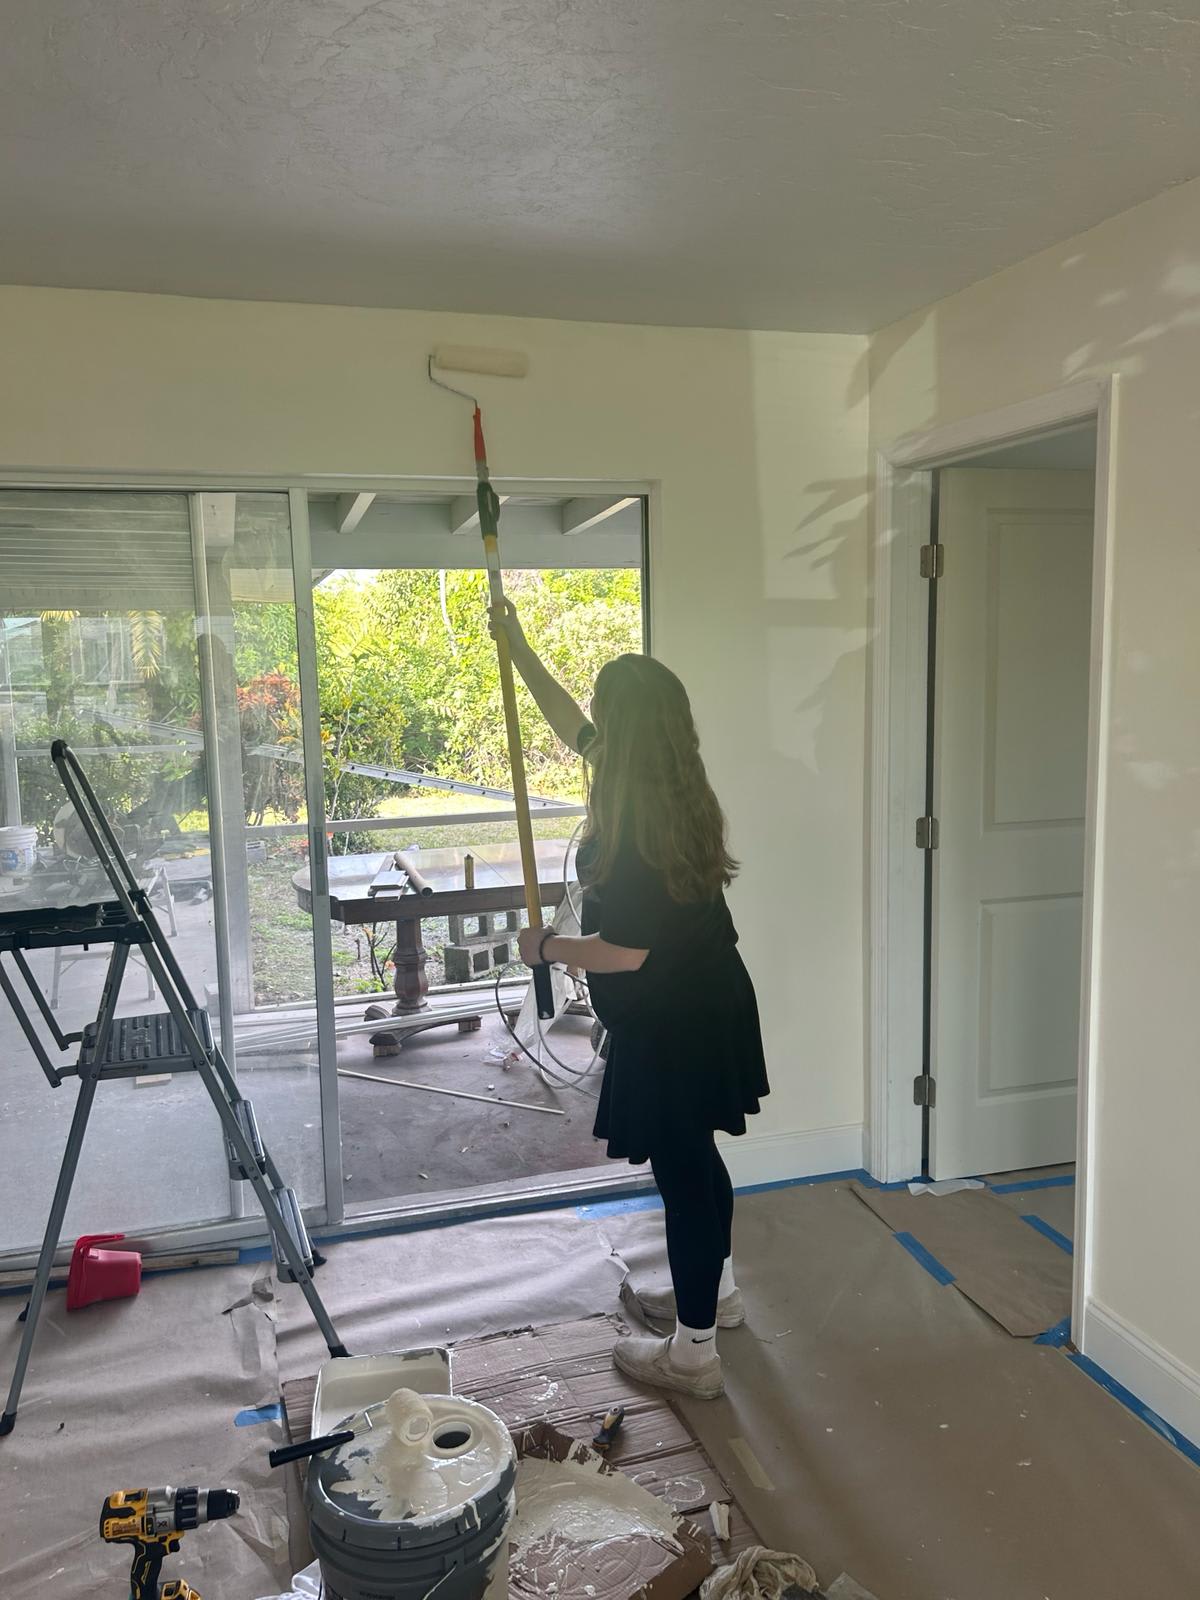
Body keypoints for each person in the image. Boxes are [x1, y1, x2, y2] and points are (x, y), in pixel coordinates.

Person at [491, 602, 769, 1400]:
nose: (593, 729)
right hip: (709, 1001)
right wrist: (518, 649)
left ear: (626, 729)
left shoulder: (639, 822)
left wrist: (547, 948)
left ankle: (693, 1355)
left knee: (684, 1179)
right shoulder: (670, 781)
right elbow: (568, 725)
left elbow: (626, 951)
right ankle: (713, 1301)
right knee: (699, 1161)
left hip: (675, 1021)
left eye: (603, 714)